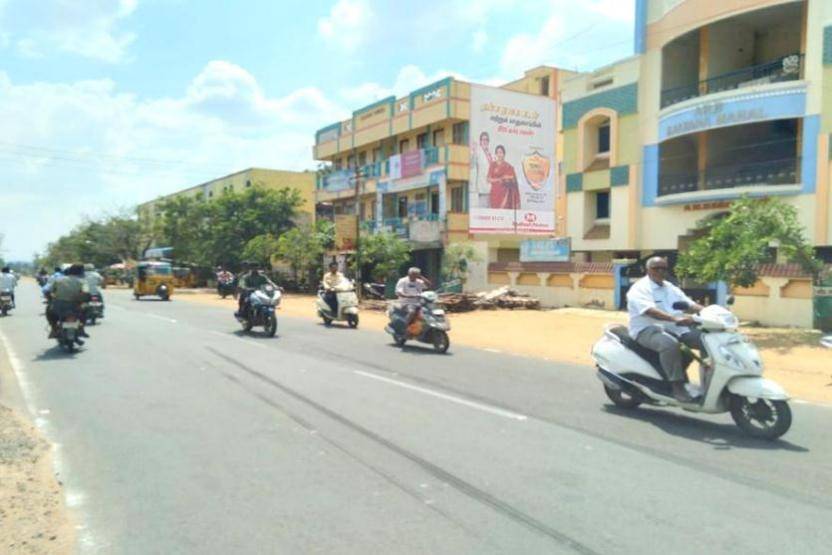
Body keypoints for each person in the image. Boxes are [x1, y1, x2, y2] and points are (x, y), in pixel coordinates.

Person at [627, 256, 704, 402]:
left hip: (676, 328)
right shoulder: (640, 288)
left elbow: (688, 304)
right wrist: (674, 318)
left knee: (705, 340)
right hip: (647, 329)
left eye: (664, 268)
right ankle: (677, 388)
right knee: (670, 345)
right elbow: (649, 310)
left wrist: (709, 311)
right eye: (656, 268)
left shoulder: (669, 287)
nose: (661, 271)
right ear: (647, 270)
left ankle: (708, 381)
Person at [44, 264, 90, 340]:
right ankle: (81, 327)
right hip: (75, 307)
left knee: (48, 310)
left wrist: (51, 299)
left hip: (58, 307)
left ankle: (54, 328)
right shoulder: (83, 281)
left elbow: (48, 291)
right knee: (87, 308)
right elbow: (86, 293)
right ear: (81, 272)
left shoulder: (58, 280)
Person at [394, 267, 432, 333]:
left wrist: (421, 277)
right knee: (412, 312)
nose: (415, 276)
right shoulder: (403, 281)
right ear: (409, 274)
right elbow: (399, 293)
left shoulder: (419, 281)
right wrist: (410, 296)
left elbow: (429, 285)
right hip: (406, 302)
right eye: (414, 274)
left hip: (419, 302)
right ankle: (404, 327)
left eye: (417, 274)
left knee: (430, 311)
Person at [487, 145, 520, 210]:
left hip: (506, 195)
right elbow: (488, 179)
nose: (499, 154)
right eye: (498, 152)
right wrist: (500, 179)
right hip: (494, 194)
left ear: (504, 154)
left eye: (501, 152)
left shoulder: (508, 167)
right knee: (494, 216)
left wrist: (507, 178)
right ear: (496, 154)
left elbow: (513, 182)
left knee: (504, 216)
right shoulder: (492, 165)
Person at [470, 131, 493, 208]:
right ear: (480, 142)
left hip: (493, 189)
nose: (485, 141)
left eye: (487, 140)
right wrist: (473, 151)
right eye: (483, 139)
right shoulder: (478, 152)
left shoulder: (491, 154)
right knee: (483, 212)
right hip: (483, 189)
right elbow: (471, 165)